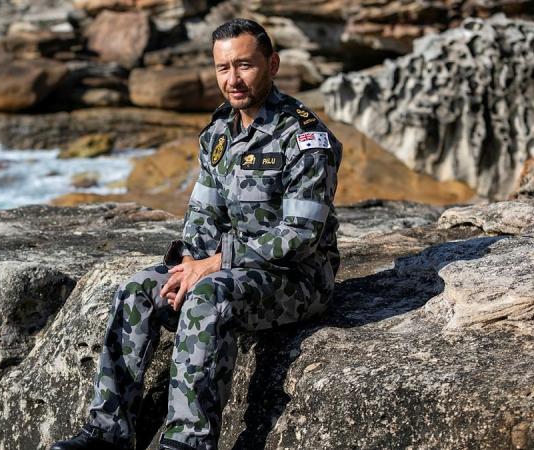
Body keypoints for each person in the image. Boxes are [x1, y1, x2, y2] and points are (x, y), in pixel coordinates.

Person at [52, 18, 342, 450]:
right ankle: (107, 432)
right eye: (223, 68)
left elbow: (299, 236)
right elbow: (201, 215)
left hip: (296, 278)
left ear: (272, 64)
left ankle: (188, 442)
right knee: (139, 288)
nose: (233, 79)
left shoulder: (304, 138)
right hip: (233, 269)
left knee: (209, 298)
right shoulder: (220, 133)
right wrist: (191, 264)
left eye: (244, 65)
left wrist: (217, 263)